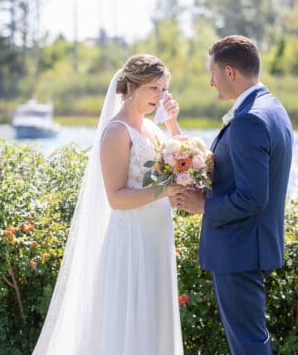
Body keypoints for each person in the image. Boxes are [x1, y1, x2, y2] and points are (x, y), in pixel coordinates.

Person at [33, 54, 186, 355]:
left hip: (156, 236)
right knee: (129, 321)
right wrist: (165, 190)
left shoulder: (152, 130)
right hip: (131, 238)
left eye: (164, 89)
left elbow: (183, 165)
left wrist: (172, 123)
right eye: (154, 88)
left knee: (155, 319)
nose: (160, 96)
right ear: (132, 86)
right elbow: (116, 198)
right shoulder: (117, 132)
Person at [173, 35, 294, 354]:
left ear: (230, 72)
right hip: (249, 245)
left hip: (239, 247)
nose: (210, 83)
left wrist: (204, 205)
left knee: (248, 343)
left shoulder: (249, 120)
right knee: (251, 338)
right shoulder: (272, 108)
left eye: (212, 73)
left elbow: (253, 197)